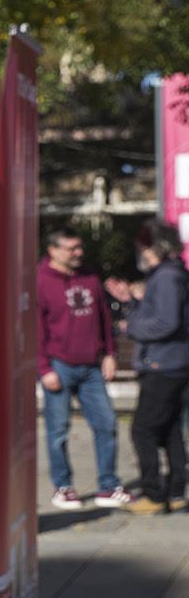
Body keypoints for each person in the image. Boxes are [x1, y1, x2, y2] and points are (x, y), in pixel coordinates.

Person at [36, 226, 125, 510]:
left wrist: (110, 354)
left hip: (91, 366)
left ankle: (108, 486)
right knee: (58, 430)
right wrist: (43, 368)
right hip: (58, 364)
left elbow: (103, 316)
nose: (78, 253)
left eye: (79, 248)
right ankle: (63, 486)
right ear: (53, 250)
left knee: (106, 425)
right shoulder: (40, 281)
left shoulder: (89, 276)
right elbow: (34, 329)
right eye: (71, 248)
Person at [121, 218, 189, 516]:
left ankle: (153, 493)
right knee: (170, 428)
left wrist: (132, 326)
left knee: (143, 430)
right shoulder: (171, 274)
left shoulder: (166, 277)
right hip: (172, 361)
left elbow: (167, 321)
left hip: (163, 363)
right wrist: (134, 302)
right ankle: (175, 491)